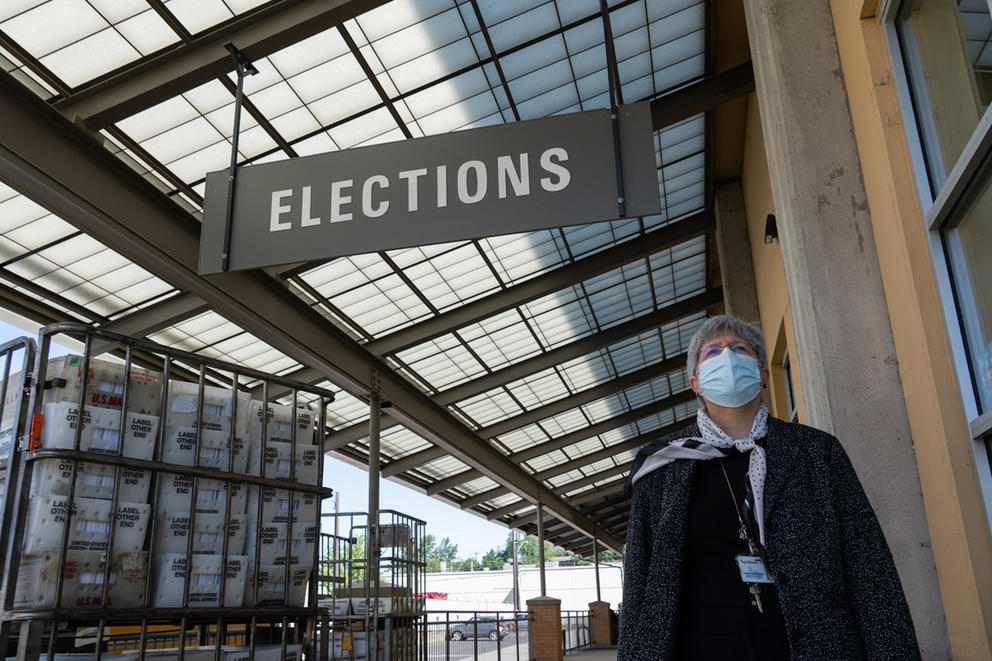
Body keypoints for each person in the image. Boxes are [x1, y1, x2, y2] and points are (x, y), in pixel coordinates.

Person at [618, 314, 920, 660]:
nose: (727, 358)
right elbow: (640, 581)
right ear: (696, 383)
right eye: (712, 353)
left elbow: (868, 566)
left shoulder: (816, 452)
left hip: (813, 646)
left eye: (739, 349)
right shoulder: (662, 465)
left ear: (762, 375)